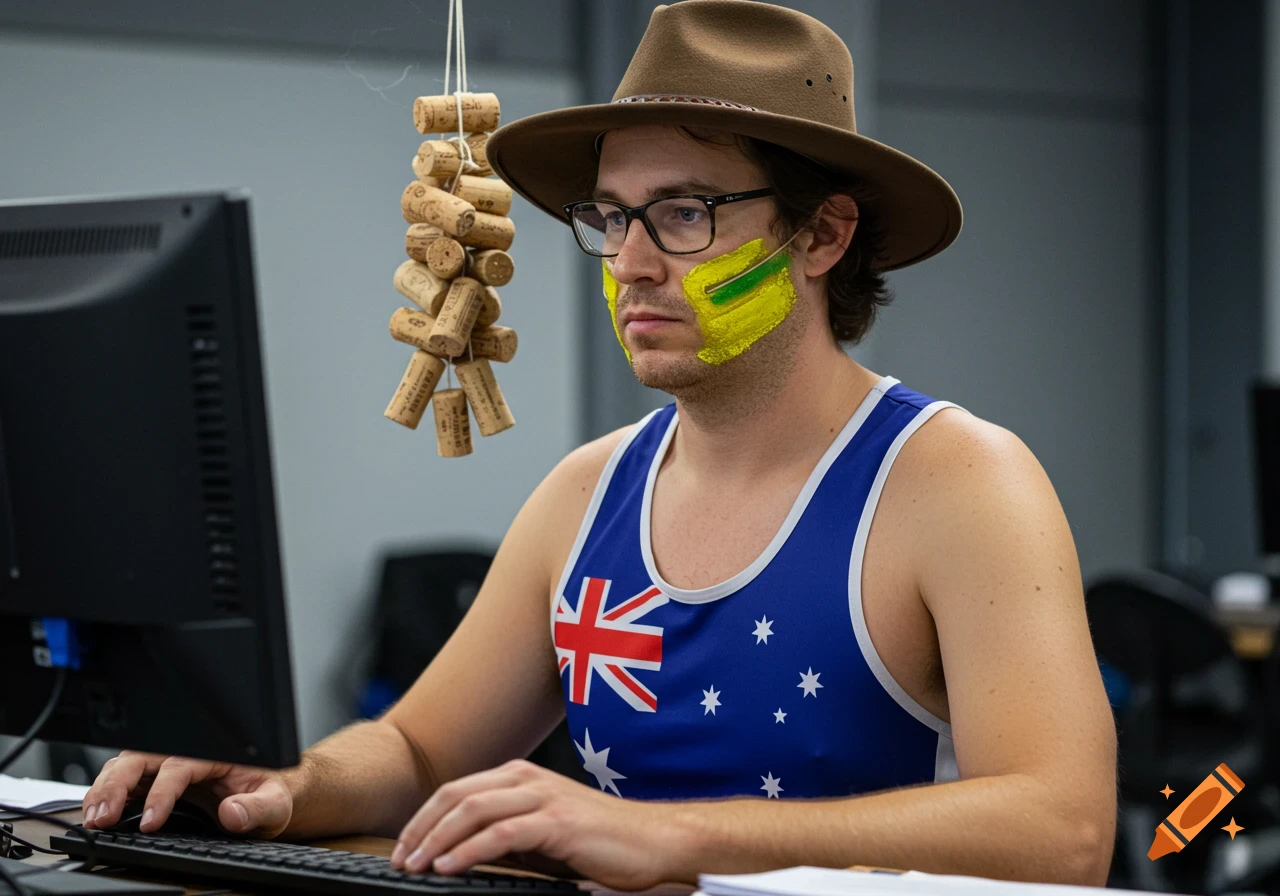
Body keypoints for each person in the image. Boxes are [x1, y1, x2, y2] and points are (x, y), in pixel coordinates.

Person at [81, 1, 1117, 888]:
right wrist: (283, 782)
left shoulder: (955, 479)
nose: (629, 263)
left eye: (682, 213)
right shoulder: (590, 489)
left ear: (819, 235)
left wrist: (671, 834)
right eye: (610, 217)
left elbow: (1062, 830)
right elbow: (413, 744)